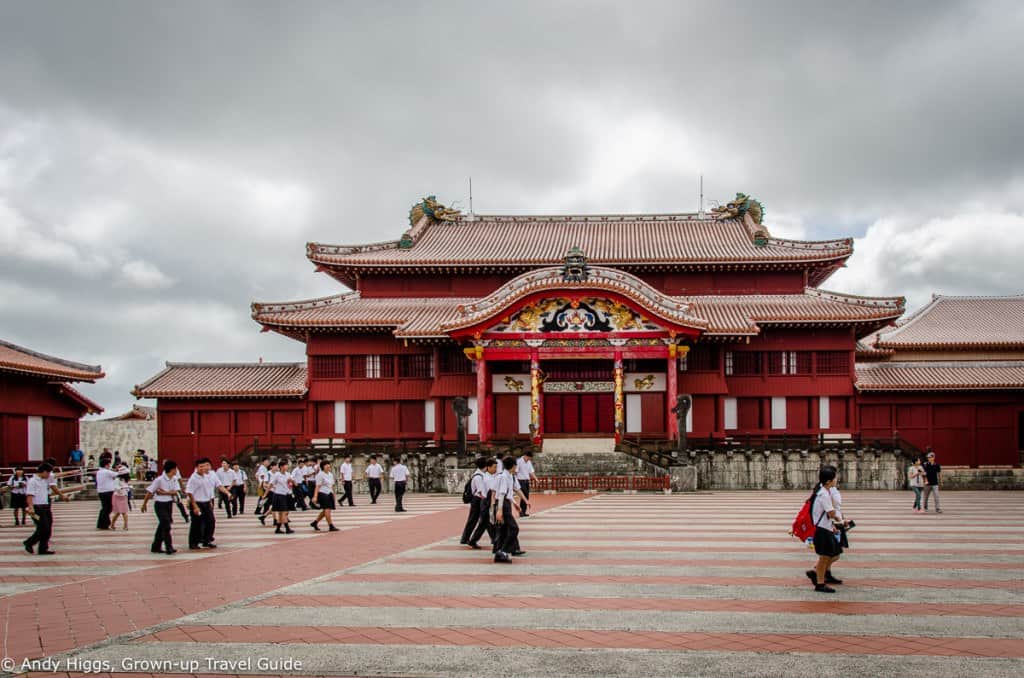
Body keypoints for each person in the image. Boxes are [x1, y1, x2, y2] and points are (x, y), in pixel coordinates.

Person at [805, 465, 843, 593]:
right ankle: (820, 584)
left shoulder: (822, 492)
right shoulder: (824, 495)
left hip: (825, 528)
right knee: (824, 558)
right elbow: (831, 513)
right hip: (822, 530)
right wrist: (841, 521)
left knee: (828, 556)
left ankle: (820, 579)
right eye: (834, 478)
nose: (836, 480)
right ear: (828, 481)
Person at [186, 457, 232, 550]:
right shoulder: (194, 477)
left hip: (207, 502)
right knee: (196, 524)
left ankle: (206, 540)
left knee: (210, 521)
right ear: (197, 467)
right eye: (202, 466)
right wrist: (193, 505)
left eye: (207, 465)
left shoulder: (211, 475)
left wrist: (227, 493)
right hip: (197, 503)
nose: (205, 468)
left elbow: (217, 486)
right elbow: (190, 492)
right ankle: (193, 542)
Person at [493, 457, 529, 562]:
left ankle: (499, 553)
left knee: (504, 530)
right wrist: (499, 510)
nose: (516, 467)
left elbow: (508, 493)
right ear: (513, 466)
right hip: (503, 505)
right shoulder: (504, 477)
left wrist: (514, 503)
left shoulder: (509, 476)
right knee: (514, 528)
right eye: (516, 465)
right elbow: (501, 494)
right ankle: (503, 551)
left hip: (506, 503)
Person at [140, 460, 180, 554]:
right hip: (159, 504)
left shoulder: (174, 479)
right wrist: (144, 504)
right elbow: (150, 491)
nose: (176, 470)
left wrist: (164, 492)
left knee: (163, 525)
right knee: (166, 525)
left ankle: (155, 546)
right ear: (172, 469)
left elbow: (176, 492)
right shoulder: (159, 479)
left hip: (169, 504)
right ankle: (169, 547)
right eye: (175, 469)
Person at [23, 463, 62, 555]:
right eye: (48, 473)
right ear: (44, 472)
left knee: (48, 528)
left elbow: (54, 480)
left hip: (46, 507)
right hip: (37, 508)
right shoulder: (32, 481)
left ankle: (43, 548)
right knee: (43, 528)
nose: (49, 475)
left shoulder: (45, 480)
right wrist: (31, 507)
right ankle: (29, 542)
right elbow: (29, 495)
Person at [467, 457, 498, 550]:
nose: (495, 469)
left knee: (487, 523)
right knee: (485, 523)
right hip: (486, 501)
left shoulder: (490, 477)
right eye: (494, 467)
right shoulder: (486, 478)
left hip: (487, 501)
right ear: (488, 467)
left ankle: (494, 539)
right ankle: (473, 540)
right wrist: (487, 502)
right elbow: (484, 491)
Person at [460, 457, 489, 547]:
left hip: (478, 499)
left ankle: (465, 538)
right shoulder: (478, 477)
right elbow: (480, 491)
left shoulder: (480, 474)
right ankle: (465, 538)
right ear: (486, 466)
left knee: (481, 520)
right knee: (475, 520)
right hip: (478, 500)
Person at [311, 460, 340, 532]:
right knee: (327, 510)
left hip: (329, 493)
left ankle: (315, 522)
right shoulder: (320, 475)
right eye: (326, 465)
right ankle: (331, 525)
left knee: (325, 511)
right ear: (322, 467)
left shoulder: (330, 474)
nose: (328, 466)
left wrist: (333, 495)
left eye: (328, 464)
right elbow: (317, 486)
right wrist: (315, 496)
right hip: (323, 494)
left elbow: (332, 485)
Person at [268, 460, 295, 534]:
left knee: (281, 513)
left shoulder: (288, 474)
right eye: (285, 465)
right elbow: (270, 484)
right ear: (281, 467)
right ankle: (287, 528)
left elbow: (292, 484)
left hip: (286, 495)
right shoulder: (277, 475)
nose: (287, 466)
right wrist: (265, 494)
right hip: (278, 495)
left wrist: (291, 482)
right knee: (283, 512)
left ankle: (278, 529)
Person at [95, 458, 120, 530]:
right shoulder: (107, 472)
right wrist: (118, 469)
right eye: (109, 464)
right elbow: (118, 474)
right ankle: (104, 524)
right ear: (106, 465)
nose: (110, 466)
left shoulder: (99, 472)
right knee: (108, 508)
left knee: (105, 508)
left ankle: (102, 523)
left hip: (101, 492)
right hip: (108, 492)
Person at [515, 452, 537, 517]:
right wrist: (515, 481)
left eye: (530, 458)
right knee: (523, 496)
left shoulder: (528, 462)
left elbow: (531, 471)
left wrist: (536, 478)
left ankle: (523, 512)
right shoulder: (518, 461)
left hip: (526, 481)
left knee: (526, 496)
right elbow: (515, 471)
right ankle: (521, 512)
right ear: (525, 456)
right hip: (520, 481)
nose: (529, 459)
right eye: (528, 458)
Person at [923, 449, 942, 513]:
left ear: (933, 457)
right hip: (927, 483)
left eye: (930, 457)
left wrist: (941, 481)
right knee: (926, 496)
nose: (929, 458)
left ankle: (938, 508)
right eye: (928, 457)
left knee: (936, 496)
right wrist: (924, 480)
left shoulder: (937, 465)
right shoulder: (925, 464)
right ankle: (925, 507)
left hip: (935, 483)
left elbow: (939, 473)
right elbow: (922, 473)